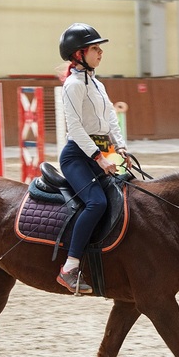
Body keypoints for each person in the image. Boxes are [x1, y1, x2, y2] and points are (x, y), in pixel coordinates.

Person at [56, 22, 129, 294]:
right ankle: (70, 267)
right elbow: (74, 128)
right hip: (78, 156)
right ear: (79, 54)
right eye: (95, 49)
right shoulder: (73, 85)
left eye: (100, 49)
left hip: (104, 150)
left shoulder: (97, 83)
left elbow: (110, 117)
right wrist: (100, 157)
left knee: (129, 189)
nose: (101, 53)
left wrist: (120, 149)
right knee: (96, 202)